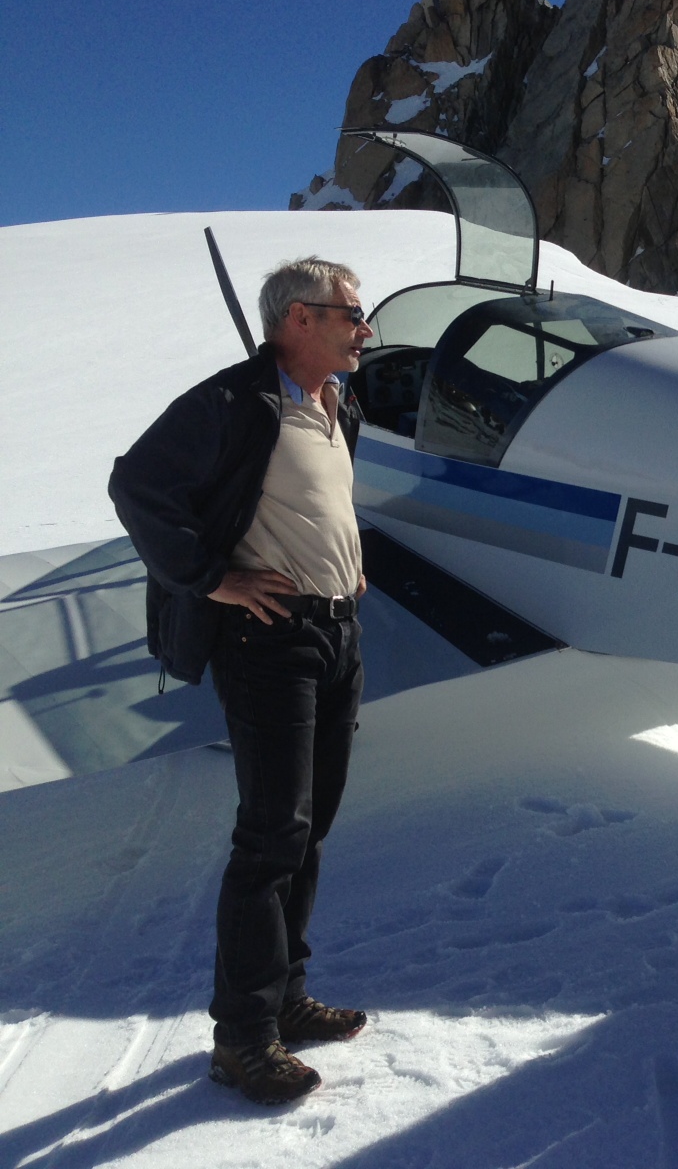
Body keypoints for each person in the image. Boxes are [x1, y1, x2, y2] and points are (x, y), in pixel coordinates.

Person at [109, 257, 374, 1103]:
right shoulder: (232, 401)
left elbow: (310, 503)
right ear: (299, 319)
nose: (364, 328)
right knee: (271, 837)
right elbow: (136, 484)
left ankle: (286, 997)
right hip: (270, 643)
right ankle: (244, 1037)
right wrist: (210, 577)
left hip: (336, 636)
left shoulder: (336, 403)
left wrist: (345, 567)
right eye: (350, 314)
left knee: (309, 828)